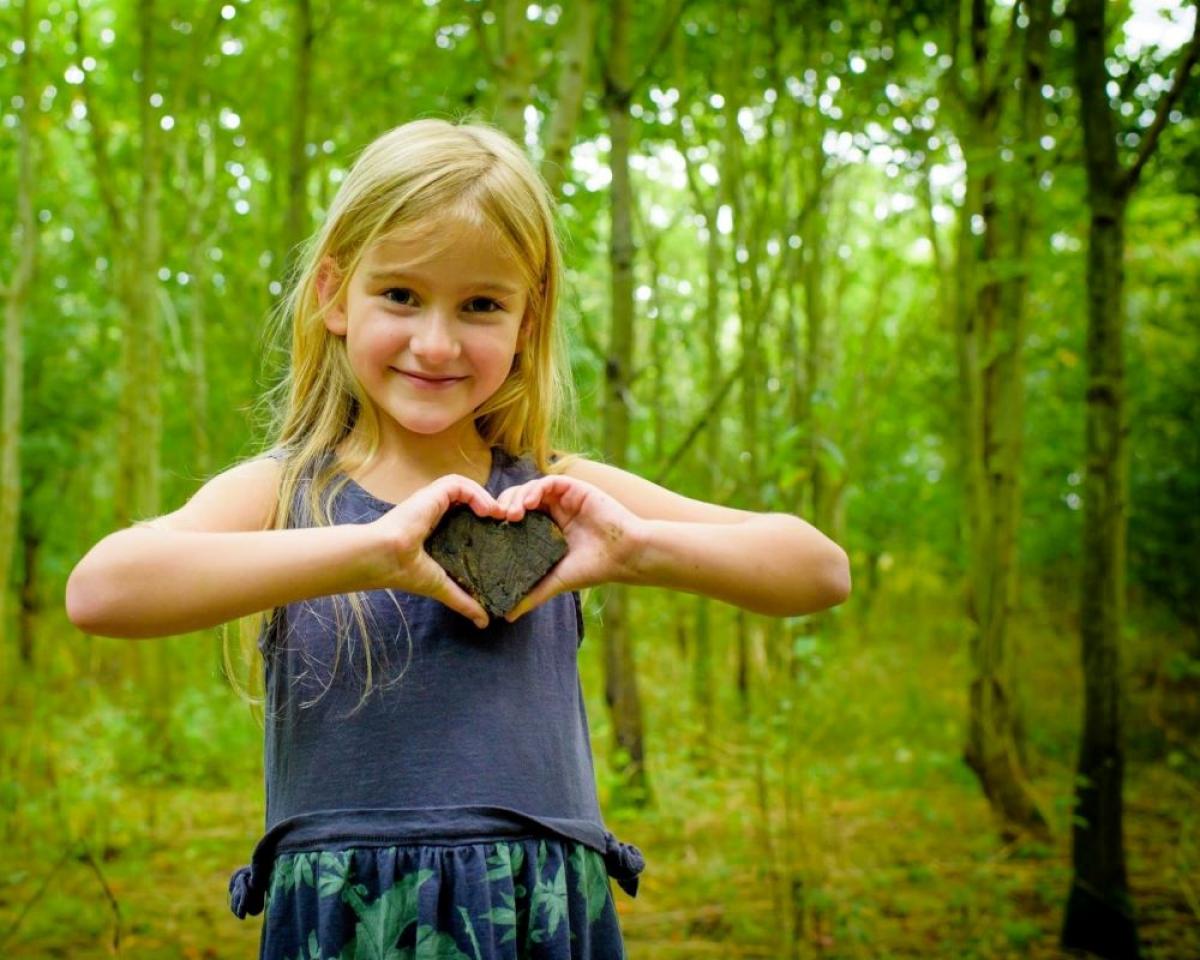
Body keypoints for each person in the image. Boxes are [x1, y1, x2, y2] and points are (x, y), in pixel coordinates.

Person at [64, 117, 851, 959]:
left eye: (481, 305)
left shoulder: (557, 489)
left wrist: (636, 548)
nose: (436, 343)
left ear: (528, 318)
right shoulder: (286, 491)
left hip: (532, 915)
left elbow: (817, 569)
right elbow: (103, 590)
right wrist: (370, 553)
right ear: (333, 294)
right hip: (344, 921)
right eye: (400, 295)